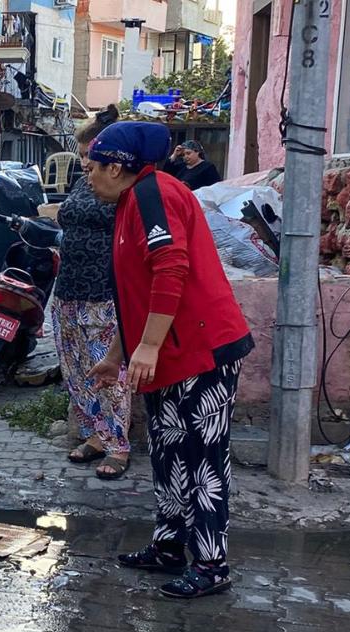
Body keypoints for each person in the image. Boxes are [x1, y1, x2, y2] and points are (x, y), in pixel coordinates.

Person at [85, 121, 254, 600]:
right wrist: (118, 355)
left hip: (202, 351)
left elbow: (170, 268)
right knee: (168, 453)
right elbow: (134, 293)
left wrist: (150, 345)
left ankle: (211, 564)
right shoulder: (128, 202)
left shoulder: (152, 194)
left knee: (204, 459)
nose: (89, 176)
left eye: (92, 167)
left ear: (117, 167)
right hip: (167, 354)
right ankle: (169, 546)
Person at [36, 105, 132, 480]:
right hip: (69, 290)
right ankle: (95, 435)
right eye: (82, 158)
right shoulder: (84, 180)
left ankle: (118, 446)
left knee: (109, 373)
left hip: (104, 293)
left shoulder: (127, 189)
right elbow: (71, 214)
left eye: (88, 156)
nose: (84, 164)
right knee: (75, 369)